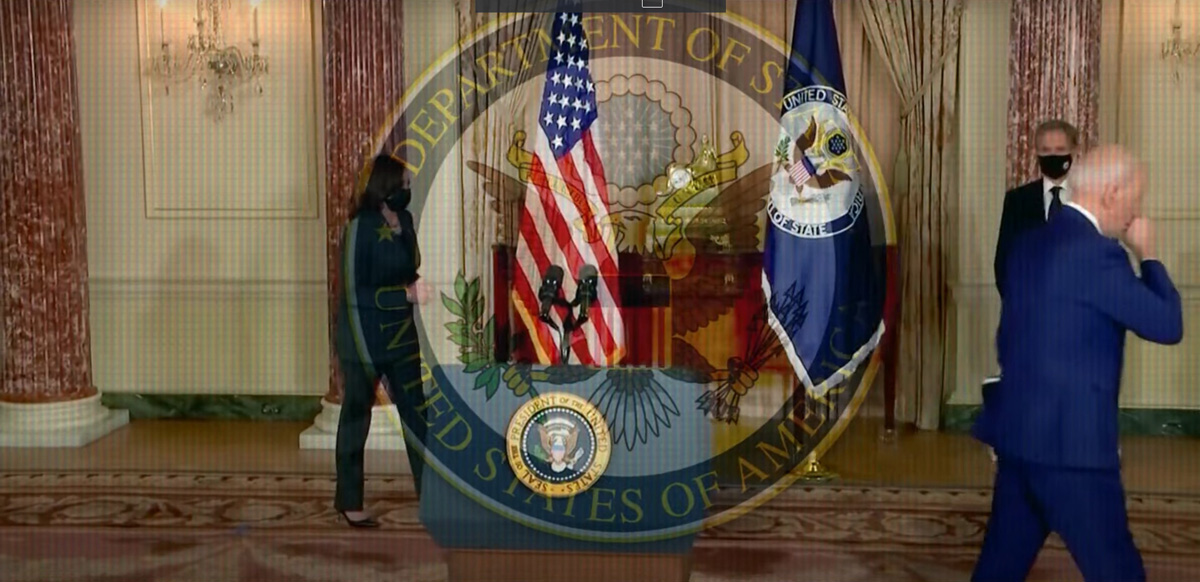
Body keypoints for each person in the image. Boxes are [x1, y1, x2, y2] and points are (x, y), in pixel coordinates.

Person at [971, 145, 1183, 581]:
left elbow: (1010, 337)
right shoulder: (1098, 255)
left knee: (998, 571)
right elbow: (1166, 324)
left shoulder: (1028, 242)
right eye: (1135, 199)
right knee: (1118, 571)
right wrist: (1149, 255)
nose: (1136, 213)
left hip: (1018, 438)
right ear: (1112, 193)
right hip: (1073, 449)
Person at [334, 154, 431, 528]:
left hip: (402, 338)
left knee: (417, 417)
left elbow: (411, 266)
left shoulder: (404, 221)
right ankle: (349, 501)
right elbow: (353, 291)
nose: (408, 190)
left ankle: (431, 496)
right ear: (386, 186)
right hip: (364, 337)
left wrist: (412, 285)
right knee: (356, 418)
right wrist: (403, 295)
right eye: (403, 184)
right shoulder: (359, 227)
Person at [993, 119, 1080, 297]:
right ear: (1036, 154)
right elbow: (1004, 262)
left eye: (1060, 150)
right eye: (1046, 150)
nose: (1053, 156)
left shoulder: (1089, 199)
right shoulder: (1017, 200)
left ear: (1074, 152)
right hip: (1028, 307)